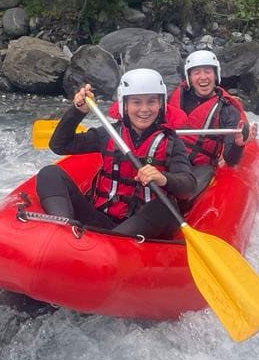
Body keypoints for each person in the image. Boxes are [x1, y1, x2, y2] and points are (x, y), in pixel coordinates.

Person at [35, 68, 196, 239]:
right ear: (124, 105)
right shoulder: (109, 134)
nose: (144, 109)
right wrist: (77, 111)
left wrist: (163, 178)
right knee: (49, 173)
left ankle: (110, 245)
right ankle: (63, 232)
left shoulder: (170, 141)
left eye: (151, 102)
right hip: (100, 218)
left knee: (165, 206)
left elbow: (188, 187)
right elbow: (59, 145)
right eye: (136, 102)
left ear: (161, 104)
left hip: (141, 226)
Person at [168, 49, 258, 193]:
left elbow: (231, 159)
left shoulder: (228, 111)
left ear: (216, 75)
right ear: (189, 77)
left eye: (208, 71)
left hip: (198, 168)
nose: (203, 77)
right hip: (168, 159)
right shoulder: (173, 97)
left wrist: (238, 144)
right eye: (196, 72)